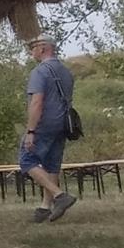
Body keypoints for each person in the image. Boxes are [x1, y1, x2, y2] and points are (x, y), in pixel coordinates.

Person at [20, 31, 77, 222]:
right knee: (52, 165)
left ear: (43, 48)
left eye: (33, 48)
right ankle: (45, 207)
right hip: (63, 124)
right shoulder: (65, 71)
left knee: (27, 161)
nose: (31, 53)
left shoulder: (40, 72)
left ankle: (60, 196)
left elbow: (37, 103)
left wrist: (30, 131)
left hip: (44, 124)